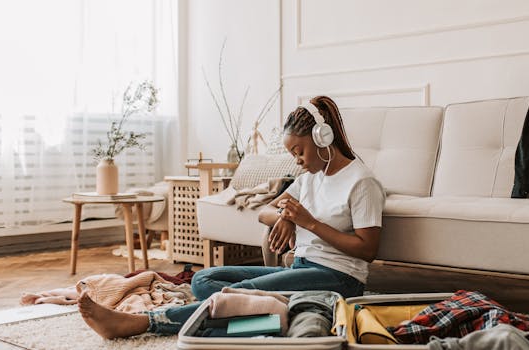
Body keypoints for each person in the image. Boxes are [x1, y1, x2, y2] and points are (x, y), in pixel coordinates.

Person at [77, 95, 386, 339]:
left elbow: (367, 250)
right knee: (204, 279)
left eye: (299, 151)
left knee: (243, 294)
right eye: (292, 153)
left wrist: (308, 222)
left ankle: (145, 323)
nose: (297, 160)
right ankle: (266, 321)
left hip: (337, 277)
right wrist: (286, 218)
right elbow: (266, 211)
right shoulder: (310, 179)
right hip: (303, 267)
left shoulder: (361, 182)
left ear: (322, 138)